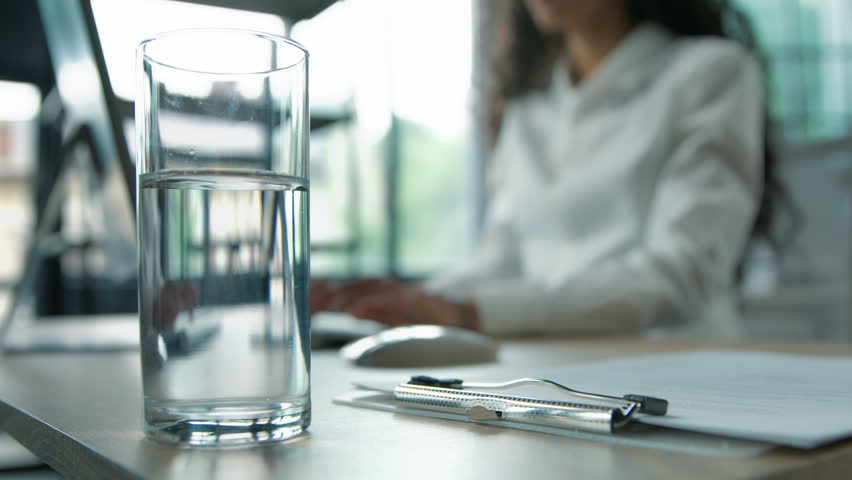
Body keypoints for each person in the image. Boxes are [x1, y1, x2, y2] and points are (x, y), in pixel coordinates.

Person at [313, 0, 787, 338]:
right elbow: (500, 262)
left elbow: (679, 275)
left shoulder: (711, 73)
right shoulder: (529, 111)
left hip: (681, 374)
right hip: (545, 375)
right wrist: (408, 297)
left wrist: (471, 311)